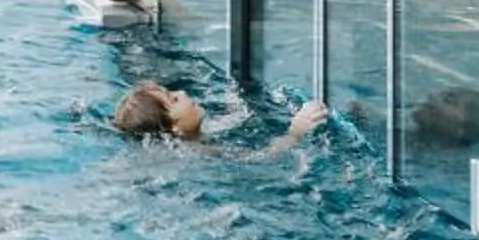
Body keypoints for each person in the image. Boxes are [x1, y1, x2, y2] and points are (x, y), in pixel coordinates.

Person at [114, 83, 330, 149]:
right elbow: (256, 162)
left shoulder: (190, 136)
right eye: (174, 100)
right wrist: (295, 133)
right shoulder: (197, 152)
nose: (183, 92)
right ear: (174, 129)